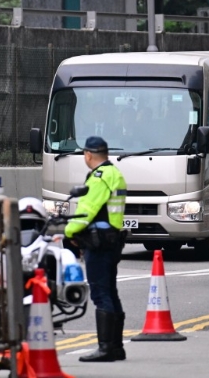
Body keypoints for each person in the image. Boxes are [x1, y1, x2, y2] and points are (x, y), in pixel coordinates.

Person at [64, 136, 127, 363]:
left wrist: (68, 232)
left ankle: (105, 348)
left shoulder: (99, 177)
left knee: (101, 294)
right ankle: (117, 347)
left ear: (88, 155)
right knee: (111, 292)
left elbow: (86, 211)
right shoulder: (115, 173)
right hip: (112, 240)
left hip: (99, 243)